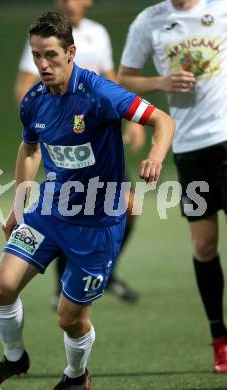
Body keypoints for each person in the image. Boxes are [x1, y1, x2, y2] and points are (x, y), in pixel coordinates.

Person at [0, 11, 174, 389]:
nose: (42, 64)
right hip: (50, 211)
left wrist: (154, 156)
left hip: (97, 223)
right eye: (36, 55)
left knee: (69, 318)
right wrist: (18, 204)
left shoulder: (99, 93)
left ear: (71, 52)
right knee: (2, 287)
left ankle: (76, 376)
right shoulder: (34, 100)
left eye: (51, 55)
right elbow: (29, 149)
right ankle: (14, 359)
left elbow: (162, 121)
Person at [118, 0, 227, 373]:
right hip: (189, 150)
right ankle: (219, 340)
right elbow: (124, 77)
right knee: (203, 245)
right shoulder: (150, 21)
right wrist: (162, 82)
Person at [15, 0, 142, 305]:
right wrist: (45, 117)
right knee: (70, 207)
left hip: (99, 137)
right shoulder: (46, 38)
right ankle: (65, 284)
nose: (70, 3)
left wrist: (132, 122)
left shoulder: (98, 34)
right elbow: (24, 84)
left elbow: (111, 80)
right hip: (69, 137)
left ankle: (101, 273)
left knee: (129, 206)